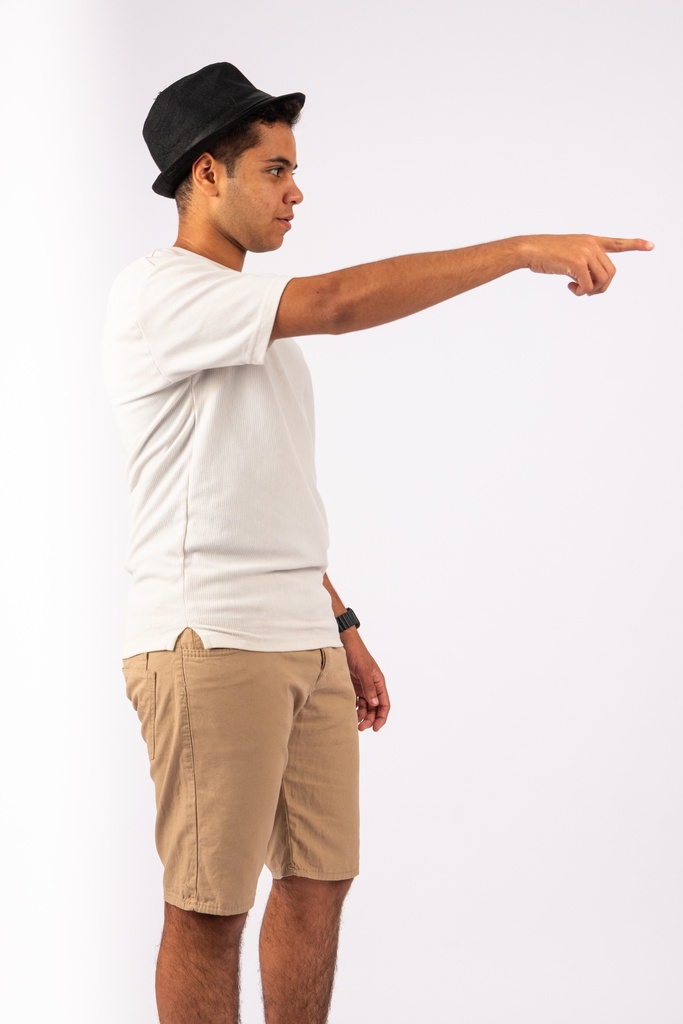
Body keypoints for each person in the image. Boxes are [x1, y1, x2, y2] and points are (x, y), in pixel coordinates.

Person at [103, 61, 653, 1024]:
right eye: (274, 169)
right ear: (206, 175)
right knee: (207, 907)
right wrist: (523, 248)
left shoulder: (248, 321)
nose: (295, 190)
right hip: (211, 644)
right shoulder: (162, 295)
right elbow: (344, 301)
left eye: (292, 169)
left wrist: (343, 625)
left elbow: (258, 491)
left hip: (301, 639)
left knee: (319, 881)